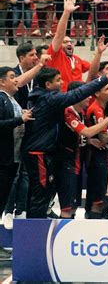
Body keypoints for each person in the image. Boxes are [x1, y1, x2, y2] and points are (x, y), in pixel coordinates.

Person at [21, 61, 108, 219]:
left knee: (45, 195)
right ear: (48, 84)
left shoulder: (50, 100)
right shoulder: (52, 100)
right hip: (40, 152)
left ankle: (37, 234)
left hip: (51, 154)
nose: (62, 83)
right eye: (58, 80)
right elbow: (85, 125)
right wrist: (105, 78)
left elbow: (83, 134)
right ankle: (34, 237)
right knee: (41, 195)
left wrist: (88, 142)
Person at [57, 81, 108, 219]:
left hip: (78, 161)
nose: (89, 97)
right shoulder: (69, 111)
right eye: (86, 94)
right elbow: (91, 133)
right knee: (69, 206)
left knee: (75, 203)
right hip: (67, 162)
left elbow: (85, 135)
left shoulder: (81, 112)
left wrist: (89, 141)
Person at [0, 67, 35, 237]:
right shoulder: (0, 99)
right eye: (12, 77)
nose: (16, 80)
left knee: (2, 201)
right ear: (2, 81)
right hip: (2, 159)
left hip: (13, 159)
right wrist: (20, 119)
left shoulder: (12, 100)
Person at [45, 0, 91, 91]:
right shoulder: (55, 55)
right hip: (62, 97)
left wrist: (99, 53)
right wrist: (66, 13)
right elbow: (59, 35)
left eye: (71, 42)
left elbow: (93, 69)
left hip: (78, 97)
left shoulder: (77, 59)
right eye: (65, 42)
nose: (69, 44)